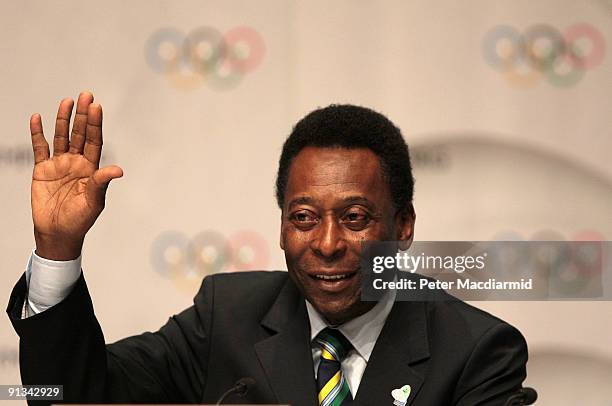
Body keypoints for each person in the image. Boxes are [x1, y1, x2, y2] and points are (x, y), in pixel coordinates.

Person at [7, 92, 528, 405]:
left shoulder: (476, 351)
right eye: (304, 218)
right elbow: (74, 397)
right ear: (282, 228)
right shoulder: (227, 317)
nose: (326, 244)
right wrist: (57, 249)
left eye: (354, 218)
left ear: (404, 225)